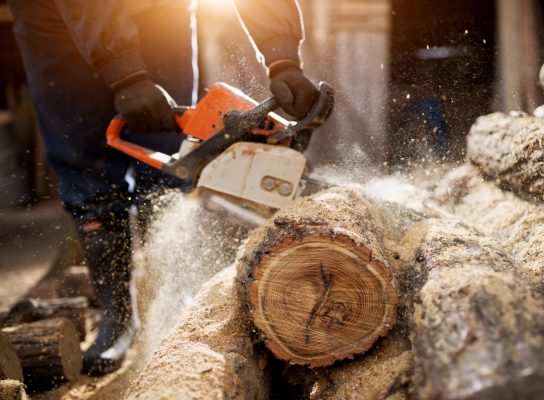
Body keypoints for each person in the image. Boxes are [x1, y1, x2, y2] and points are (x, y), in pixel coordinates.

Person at [7, 0, 319, 376]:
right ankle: (118, 321)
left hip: (160, 13)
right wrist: (126, 74)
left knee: (171, 164)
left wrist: (282, 58)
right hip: (56, 18)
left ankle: (170, 301)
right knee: (85, 167)